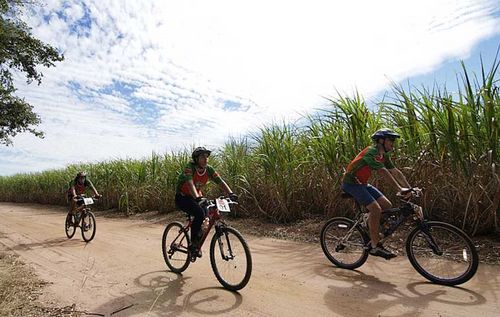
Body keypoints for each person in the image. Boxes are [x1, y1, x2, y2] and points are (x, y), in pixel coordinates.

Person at [341, 128, 411, 259]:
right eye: (391, 140)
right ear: (381, 141)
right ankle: (374, 246)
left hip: (362, 184)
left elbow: (395, 171)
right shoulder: (371, 152)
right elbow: (383, 172)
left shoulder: (384, 155)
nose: (393, 143)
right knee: (376, 209)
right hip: (351, 184)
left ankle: (369, 223)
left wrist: (409, 188)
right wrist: (399, 189)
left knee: (387, 205)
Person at [175, 147, 238, 259]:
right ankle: (193, 245)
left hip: (196, 196)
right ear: (196, 159)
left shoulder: (209, 169)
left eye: (206, 157)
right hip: (182, 197)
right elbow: (190, 184)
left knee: (206, 216)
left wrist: (231, 193)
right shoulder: (189, 168)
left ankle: (198, 236)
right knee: (199, 214)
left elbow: (220, 181)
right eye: (202, 157)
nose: (205, 159)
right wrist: (198, 198)